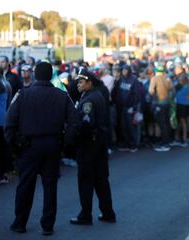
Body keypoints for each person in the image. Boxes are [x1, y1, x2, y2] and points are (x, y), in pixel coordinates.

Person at [4, 61, 77, 235]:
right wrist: (65, 143)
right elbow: (74, 121)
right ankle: (47, 225)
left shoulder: (23, 95)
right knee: (50, 187)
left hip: (28, 146)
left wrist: (13, 146)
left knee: (25, 186)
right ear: (51, 75)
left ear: (36, 74)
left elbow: (10, 122)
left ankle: (20, 222)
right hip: (52, 145)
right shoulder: (61, 96)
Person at [70, 67, 116, 225]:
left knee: (86, 181)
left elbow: (86, 123)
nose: (79, 85)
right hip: (100, 143)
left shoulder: (89, 99)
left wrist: (74, 133)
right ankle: (108, 212)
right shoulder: (96, 94)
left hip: (89, 144)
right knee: (101, 180)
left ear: (89, 82)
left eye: (81, 82)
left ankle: (85, 214)